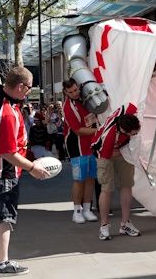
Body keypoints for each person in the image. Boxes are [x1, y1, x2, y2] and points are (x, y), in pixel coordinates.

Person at [0, 66, 50, 277]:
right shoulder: (7, 113)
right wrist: (32, 167)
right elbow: (7, 152)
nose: (29, 92)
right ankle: (2, 263)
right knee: (3, 216)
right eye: (29, 88)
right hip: (2, 171)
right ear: (21, 86)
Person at [91, 102, 141, 241]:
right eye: (133, 134)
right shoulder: (108, 136)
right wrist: (119, 151)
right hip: (105, 154)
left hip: (121, 150)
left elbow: (132, 104)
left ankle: (125, 224)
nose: (135, 135)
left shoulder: (128, 112)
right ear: (123, 131)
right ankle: (104, 226)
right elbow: (105, 155)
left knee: (127, 184)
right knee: (107, 188)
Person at [62, 79, 98, 224]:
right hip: (76, 146)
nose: (75, 93)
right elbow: (78, 131)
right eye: (71, 92)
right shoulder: (68, 107)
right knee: (79, 179)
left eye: (76, 90)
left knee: (90, 178)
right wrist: (99, 131)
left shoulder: (85, 99)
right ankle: (77, 211)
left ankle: (87, 209)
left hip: (91, 144)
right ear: (65, 92)